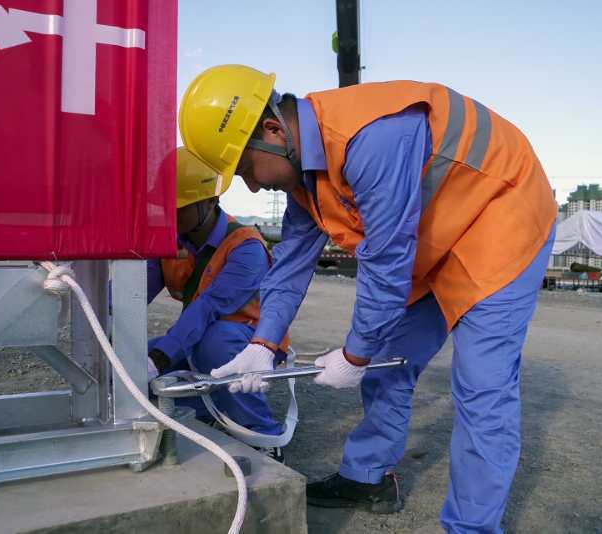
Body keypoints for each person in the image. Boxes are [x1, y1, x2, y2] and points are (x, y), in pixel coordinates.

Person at [179, 65, 557, 533]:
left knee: (481, 386)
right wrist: (262, 343)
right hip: (438, 235)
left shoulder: (373, 137)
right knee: (386, 363)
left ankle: (472, 528)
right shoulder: (304, 174)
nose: (253, 186)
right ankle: (369, 478)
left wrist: (354, 354)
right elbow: (291, 263)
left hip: (501, 219)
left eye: (245, 170)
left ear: (274, 131)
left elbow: (386, 261)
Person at [147, 147, 289, 460]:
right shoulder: (170, 243)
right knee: (138, 361)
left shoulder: (246, 248)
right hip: (197, 336)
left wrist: (160, 357)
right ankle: (210, 408)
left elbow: (209, 307)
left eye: (180, 208)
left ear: (210, 201)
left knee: (212, 343)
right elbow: (134, 295)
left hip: (248, 340)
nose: (171, 216)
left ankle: (264, 436)